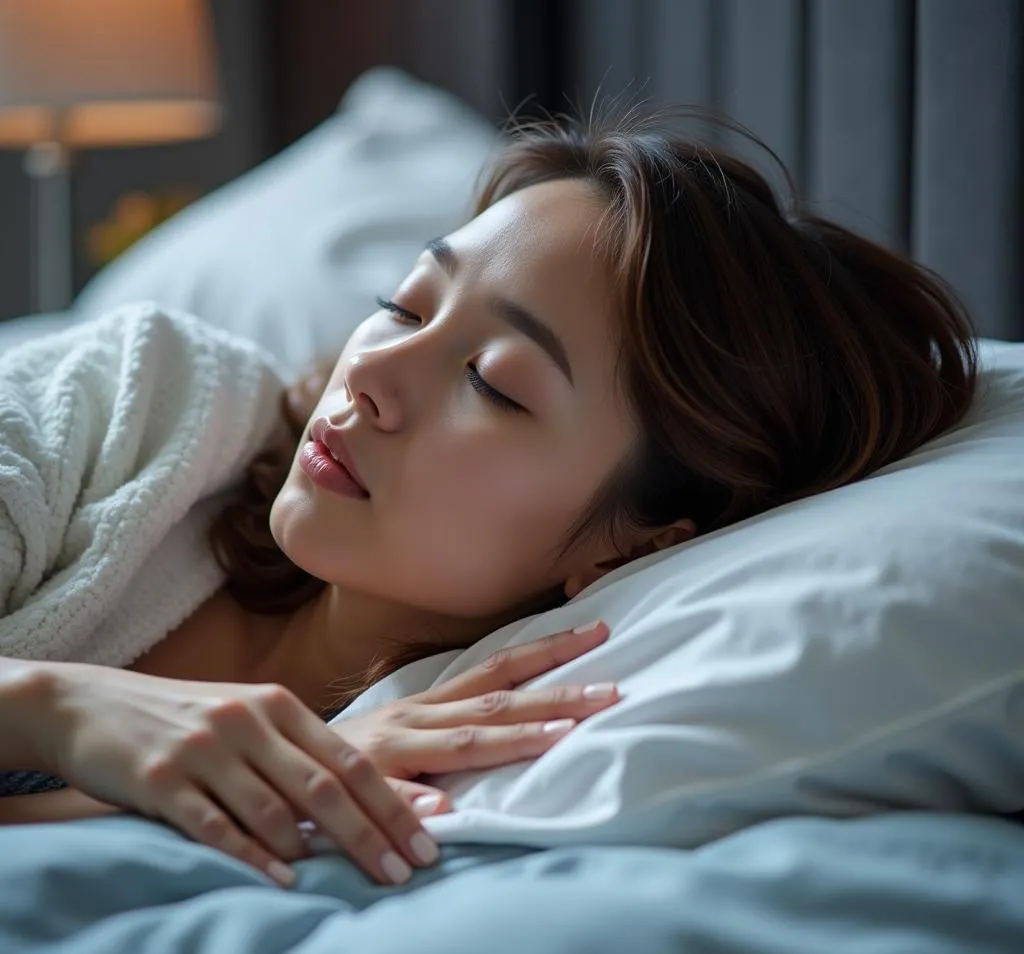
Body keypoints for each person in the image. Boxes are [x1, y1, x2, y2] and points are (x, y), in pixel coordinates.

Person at [0, 102, 978, 888]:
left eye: (492, 382)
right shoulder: (142, 401)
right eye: (404, 305)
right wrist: (56, 706)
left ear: (633, 547)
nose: (372, 377)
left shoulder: (427, 747)